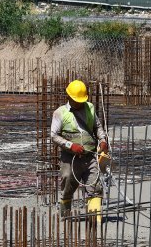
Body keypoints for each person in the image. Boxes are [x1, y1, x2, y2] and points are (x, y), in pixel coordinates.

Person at [51, 80, 109, 222]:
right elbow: (53, 135)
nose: (79, 103)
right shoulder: (60, 113)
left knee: (94, 187)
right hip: (70, 158)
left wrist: (102, 140)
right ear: (69, 97)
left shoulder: (90, 108)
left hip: (90, 157)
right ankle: (65, 217)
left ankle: (94, 220)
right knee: (67, 186)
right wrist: (71, 145)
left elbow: (98, 127)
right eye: (77, 100)